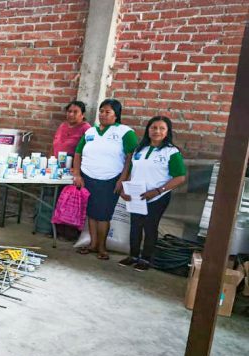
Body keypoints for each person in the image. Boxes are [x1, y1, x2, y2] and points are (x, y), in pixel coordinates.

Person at [72, 99, 138, 260]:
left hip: (110, 179)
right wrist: (77, 174)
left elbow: (131, 157)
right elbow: (78, 153)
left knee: (104, 215)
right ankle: (93, 244)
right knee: (92, 213)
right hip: (88, 178)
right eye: (101, 111)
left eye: (107, 112)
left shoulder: (125, 132)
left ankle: (102, 247)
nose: (102, 114)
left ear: (116, 115)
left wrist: (123, 179)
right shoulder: (90, 132)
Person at [119, 116, 186, 271]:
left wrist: (157, 191)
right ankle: (133, 256)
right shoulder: (139, 149)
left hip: (158, 197)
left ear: (168, 131)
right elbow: (131, 171)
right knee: (135, 226)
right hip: (136, 196)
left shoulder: (171, 152)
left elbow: (180, 177)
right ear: (148, 129)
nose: (157, 131)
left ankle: (146, 259)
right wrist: (125, 188)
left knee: (150, 227)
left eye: (162, 128)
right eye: (153, 127)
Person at [46, 101, 91, 240]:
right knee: (58, 199)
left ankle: (69, 233)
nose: (71, 114)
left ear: (82, 115)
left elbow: (87, 151)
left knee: (70, 201)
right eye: (69, 111)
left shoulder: (86, 129)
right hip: (57, 168)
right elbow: (54, 144)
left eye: (75, 112)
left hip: (74, 169)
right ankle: (55, 230)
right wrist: (50, 162)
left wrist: (77, 170)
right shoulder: (63, 126)